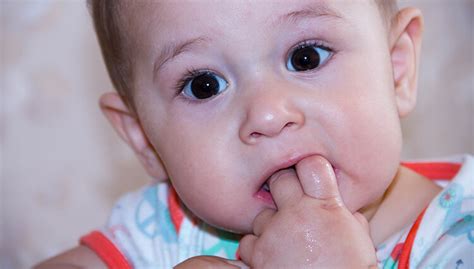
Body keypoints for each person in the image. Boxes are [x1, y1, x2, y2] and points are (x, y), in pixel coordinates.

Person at [35, 0, 473, 268]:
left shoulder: (461, 234)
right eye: (203, 85)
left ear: (396, 70)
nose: (266, 114)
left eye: (306, 57)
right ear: (143, 139)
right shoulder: (160, 229)